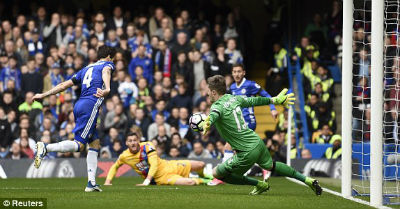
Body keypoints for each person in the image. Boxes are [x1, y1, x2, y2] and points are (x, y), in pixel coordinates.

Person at [200, 75, 322, 195]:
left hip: (246, 152)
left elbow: (215, 114)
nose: (208, 94)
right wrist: (273, 100)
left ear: (214, 92)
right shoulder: (233, 98)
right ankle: (307, 180)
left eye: (209, 92)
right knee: (271, 165)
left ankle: (259, 184)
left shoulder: (216, 106)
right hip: (257, 141)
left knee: (217, 173)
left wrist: (209, 121)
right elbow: (254, 100)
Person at [32, 45, 117, 192]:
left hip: (79, 105)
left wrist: (43, 95)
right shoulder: (107, 64)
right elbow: (107, 71)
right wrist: (107, 88)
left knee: (95, 143)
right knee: (79, 145)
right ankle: (46, 148)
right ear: (109, 56)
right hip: (90, 105)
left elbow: (64, 84)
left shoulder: (86, 69)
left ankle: (91, 183)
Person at [209, 64, 277, 185]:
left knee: (229, 146)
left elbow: (264, 94)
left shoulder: (250, 84)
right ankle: (265, 167)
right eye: (234, 72)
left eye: (239, 71)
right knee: (241, 150)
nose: (237, 74)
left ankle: (221, 176)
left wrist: (272, 108)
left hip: (248, 121)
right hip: (237, 121)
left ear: (244, 72)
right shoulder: (233, 87)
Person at [104, 132, 213, 186]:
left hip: (169, 165)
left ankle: (205, 176)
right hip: (161, 178)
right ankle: (207, 182)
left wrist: (146, 181)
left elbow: (154, 164)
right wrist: (108, 181)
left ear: (138, 141)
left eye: (135, 140)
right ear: (126, 143)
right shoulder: (124, 156)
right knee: (190, 182)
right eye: (130, 141)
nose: (133, 143)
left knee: (201, 164)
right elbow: (115, 166)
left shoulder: (147, 146)